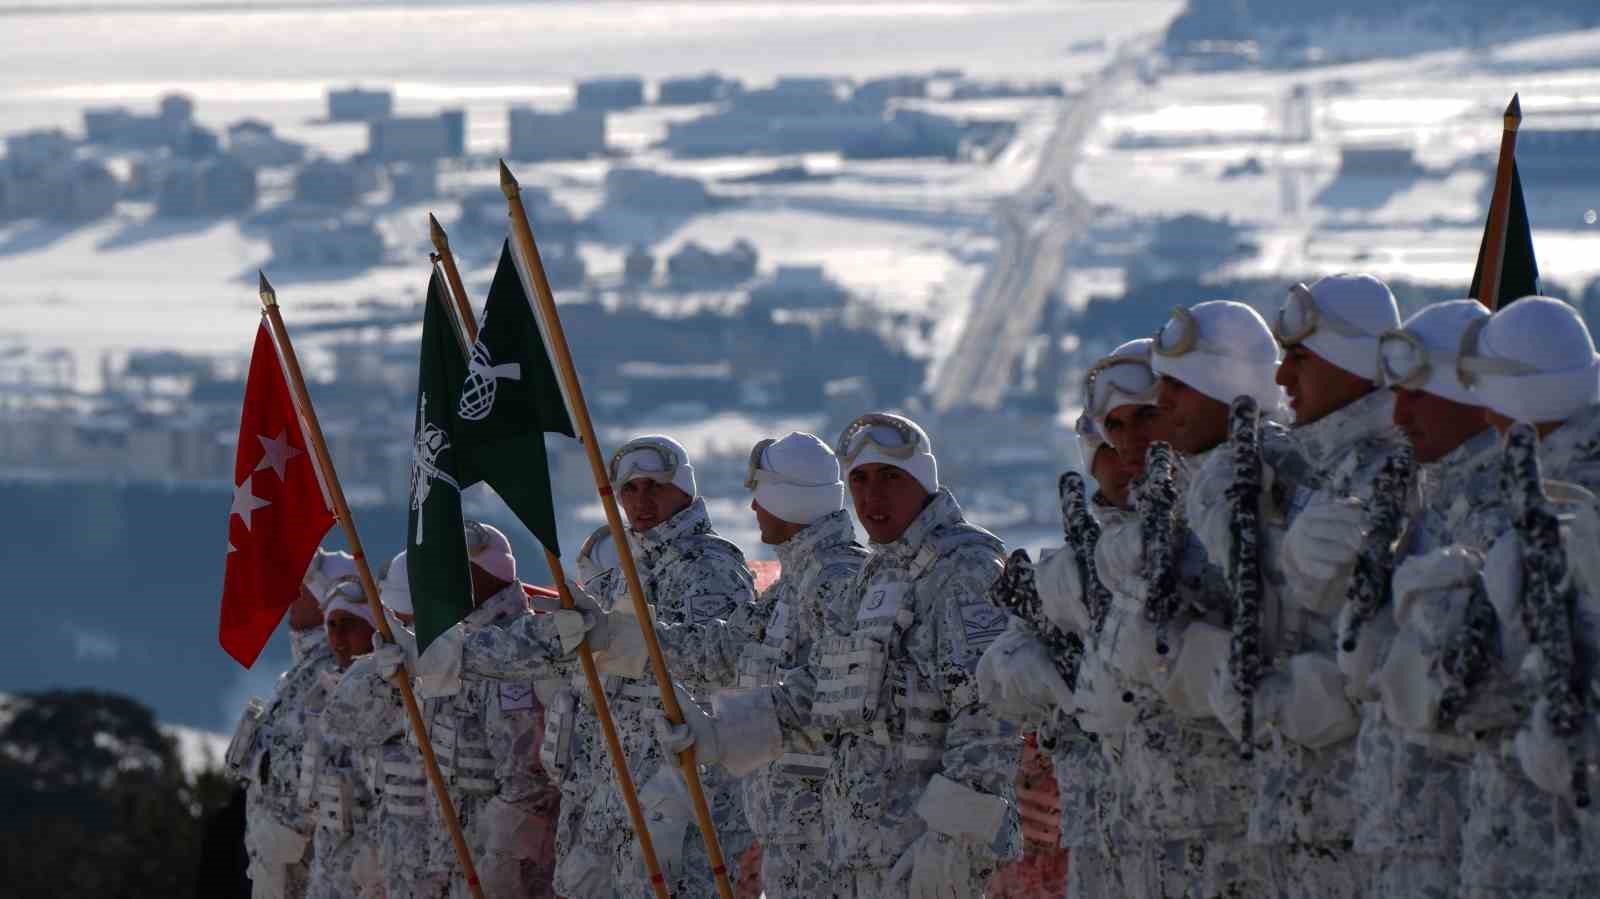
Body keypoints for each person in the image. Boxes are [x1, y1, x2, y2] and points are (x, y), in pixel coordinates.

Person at [656, 412, 1021, 899]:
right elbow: (825, 689)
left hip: (919, 856)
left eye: (892, 477)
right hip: (855, 849)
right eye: (860, 479)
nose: (873, 496)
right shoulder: (880, 575)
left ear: (923, 480)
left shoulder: (963, 572)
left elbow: (988, 718)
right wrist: (721, 733)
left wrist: (953, 844)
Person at [434, 437, 757, 899]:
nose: (640, 501)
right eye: (629, 490)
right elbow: (568, 645)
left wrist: (638, 643)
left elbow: (723, 659)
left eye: (654, 487)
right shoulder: (631, 566)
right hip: (614, 794)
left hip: (680, 800)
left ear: (683, 489)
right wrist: (452, 657)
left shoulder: (707, 567)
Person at [1380, 296, 1600, 898]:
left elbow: (1472, 698)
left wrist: (1428, 613)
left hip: (1552, 850)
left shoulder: (1541, 513)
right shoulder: (1538, 497)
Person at [1335, 299, 1496, 898]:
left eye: (1419, 394)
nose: (1398, 414)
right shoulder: (1416, 502)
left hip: (1472, 836)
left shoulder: (1507, 514)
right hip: (1402, 826)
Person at [324, 551, 450, 899]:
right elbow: (338, 723)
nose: (405, 628)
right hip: (398, 859)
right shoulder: (382, 667)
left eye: (410, 617)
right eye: (398, 618)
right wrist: (382, 681)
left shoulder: (470, 655)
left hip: (463, 849)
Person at [233, 548, 351, 899]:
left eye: (301, 591)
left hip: (304, 855)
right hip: (274, 852)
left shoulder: (337, 671)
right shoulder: (303, 669)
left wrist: (289, 834)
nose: (289, 600)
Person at [305, 576, 382, 899]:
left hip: (377, 869)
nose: (337, 637)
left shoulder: (392, 693)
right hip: (328, 869)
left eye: (349, 624)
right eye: (331, 625)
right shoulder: (321, 693)